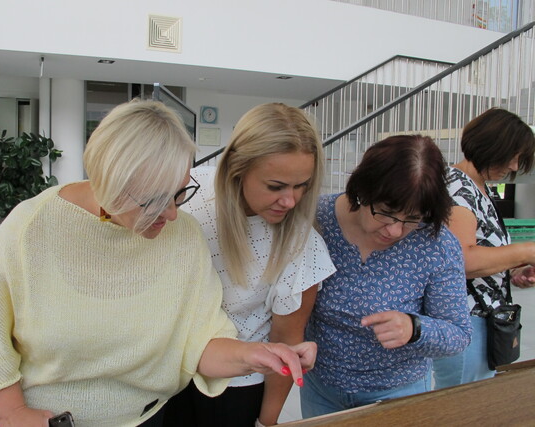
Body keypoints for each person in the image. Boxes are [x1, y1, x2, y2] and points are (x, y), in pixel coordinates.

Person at [0, 100, 316, 427]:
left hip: (146, 418)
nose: (172, 213)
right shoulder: (29, 230)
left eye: (179, 193)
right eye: (154, 201)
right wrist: (14, 412)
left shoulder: (183, 236)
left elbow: (201, 342)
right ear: (108, 179)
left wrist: (257, 355)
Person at [163, 103, 336, 427]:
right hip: (165, 374)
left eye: (302, 185)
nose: (290, 201)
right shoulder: (186, 197)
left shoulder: (303, 245)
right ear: (237, 168)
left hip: (235, 388)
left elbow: (286, 343)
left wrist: (266, 422)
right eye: (276, 186)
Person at [300, 135, 472, 417]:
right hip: (321, 387)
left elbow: (459, 334)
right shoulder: (317, 219)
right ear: (363, 191)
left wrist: (414, 328)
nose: (394, 230)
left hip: (396, 391)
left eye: (412, 218)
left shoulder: (436, 244)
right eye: (386, 213)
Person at [432, 108, 535, 389]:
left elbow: (479, 251)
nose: (514, 166)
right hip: (465, 319)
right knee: (462, 401)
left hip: (480, 317)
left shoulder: (478, 188)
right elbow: (462, 260)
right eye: (512, 156)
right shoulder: (457, 188)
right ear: (491, 146)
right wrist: (526, 251)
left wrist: (511, 271)